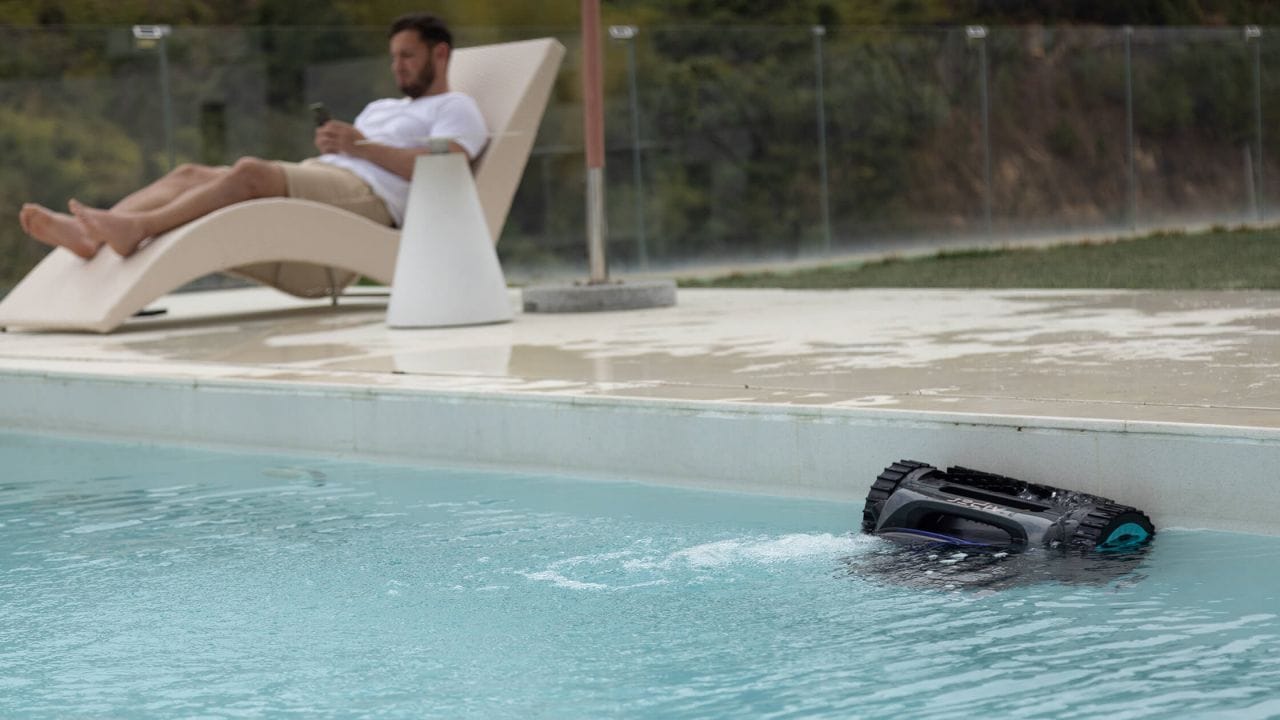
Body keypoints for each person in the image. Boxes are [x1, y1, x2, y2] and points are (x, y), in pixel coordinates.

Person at [18, 13, 488, 260]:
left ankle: (137, 229)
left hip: (372, 202)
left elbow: (443, 164)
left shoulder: (456, 107)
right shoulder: (385, 107)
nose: (397, 66)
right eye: (393, 57)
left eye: (407, 56)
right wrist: (337, 144)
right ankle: (87, 237)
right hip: (330, 177)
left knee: (248, 173)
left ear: (439, 54)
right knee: (189, 173)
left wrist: (357, 145)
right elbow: (356, 153)